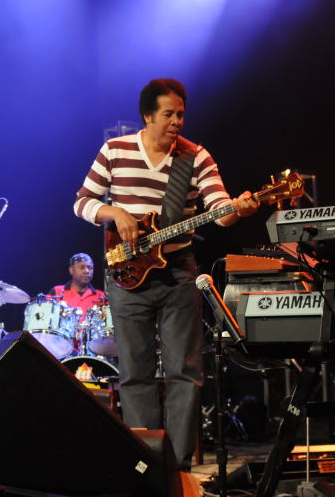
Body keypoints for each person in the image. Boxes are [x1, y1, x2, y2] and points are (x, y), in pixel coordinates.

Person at [73, 78, 258, 472]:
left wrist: (237, 209)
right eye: (169, 114)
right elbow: (83, 202)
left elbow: (219, 209)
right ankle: (146, 464)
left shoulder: (196, 156)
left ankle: (176, 467)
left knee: (185, 371)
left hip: (177, 272)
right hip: (127, 274)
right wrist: (114, 212)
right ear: (148, 116)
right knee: (135, 372)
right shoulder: (115, 150)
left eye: (181, 114)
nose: (177, 121)